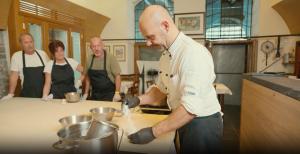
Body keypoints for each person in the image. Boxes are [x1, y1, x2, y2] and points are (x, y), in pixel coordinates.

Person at [125, 5, 223, 154]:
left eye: (150, 36)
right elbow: (161, 91)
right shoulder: (166, 56)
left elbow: (190, 109)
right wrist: (137, 100)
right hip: (181, 119)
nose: (148, 43)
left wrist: (153, 132)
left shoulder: (192, 53)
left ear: (165, 25)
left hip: (202, 125)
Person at [1, 32, 49, 100]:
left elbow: (50, 72)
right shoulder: (17, 56)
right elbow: (14, 76)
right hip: (27, 95)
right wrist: (10, 94)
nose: (30, 45)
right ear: (21, 44)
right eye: (26, 42)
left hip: (45, 95)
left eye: (31, 42)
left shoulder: (42, 54)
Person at [83, 37, 122, 102]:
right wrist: (86, 93)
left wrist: (117, 93)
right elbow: (87, 77)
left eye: (98, 46)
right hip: (95, 94)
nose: (96, 49)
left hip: (109, 94)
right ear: (91, 48)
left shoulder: (110, 58)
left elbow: (117, 76)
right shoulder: (89, 59)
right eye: (94, 46)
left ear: (103, 46)